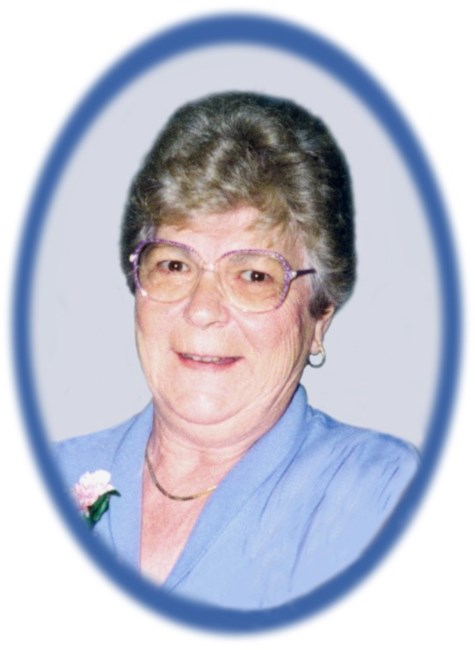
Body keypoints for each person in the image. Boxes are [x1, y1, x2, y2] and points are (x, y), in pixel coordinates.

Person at [54, 91, 419, 610]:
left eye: (253, 275)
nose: (202, 310)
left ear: (319, 319)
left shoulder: (380, 494)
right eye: (174, 265)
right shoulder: (48, 476)